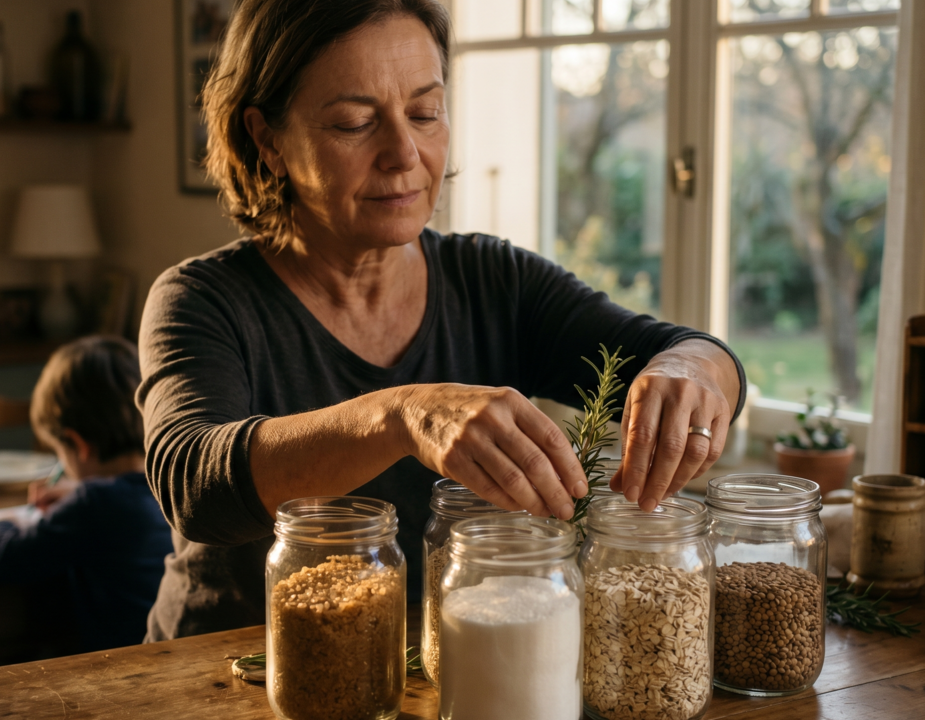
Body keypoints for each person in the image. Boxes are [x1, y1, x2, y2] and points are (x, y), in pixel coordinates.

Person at [137, 0, 746, 641]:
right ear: (269, 141)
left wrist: (692, 367)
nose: (404, 152)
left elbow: (691, 352)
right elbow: (194, 484)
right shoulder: (199, 300)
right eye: (353, 122)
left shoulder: (495, 281)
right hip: (224, 672)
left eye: (425, 112)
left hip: (436, 671)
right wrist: (402, 416)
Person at [0, 336, 174, 652]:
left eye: (59, 452)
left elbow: (5, 558)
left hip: (118, 670)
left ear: (78, 444)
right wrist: (80, 489)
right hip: (169, 653)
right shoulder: (170, 484)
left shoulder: (95, 504)